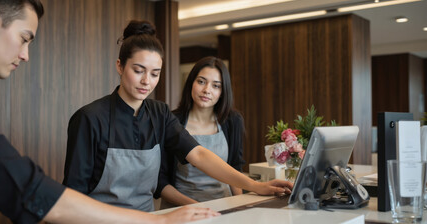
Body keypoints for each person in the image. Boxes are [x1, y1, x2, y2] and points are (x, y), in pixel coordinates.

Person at [0, 0, 218, 223]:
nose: (26, 55)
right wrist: (157, 220)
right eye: (24, 39)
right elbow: (21, 186)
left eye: (154, 73)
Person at [63, 20, 293, 212]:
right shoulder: (89, 119)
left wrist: (256, 186)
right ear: (120, 66)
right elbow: (73, 196)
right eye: (138, 70)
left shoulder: (160, 113)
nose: (147, 81)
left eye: (155, 74)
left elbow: (200, 155)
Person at [158, 56, 247, 207]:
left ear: (223, 91)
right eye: (201, 82)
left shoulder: (233, 121)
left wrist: (241, 207)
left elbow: (235, 170)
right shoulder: (171, 121)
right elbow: (160, 182)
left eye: (216, 86)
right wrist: (198, 207)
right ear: (191, 83)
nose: (207, 90)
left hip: (224, 206)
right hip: (181, 208)